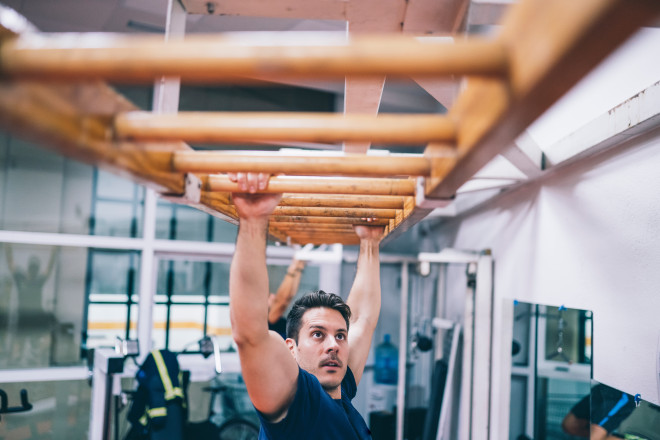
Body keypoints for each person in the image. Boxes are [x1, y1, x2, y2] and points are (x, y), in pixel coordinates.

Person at [229, 172, 384, 439]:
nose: (333, 344)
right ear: (292, 348)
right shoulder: (298, 401)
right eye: (317, 334)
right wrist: (254, 221)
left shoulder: (341, 389)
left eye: (340, 336)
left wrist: (369, 242)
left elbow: (362, 320)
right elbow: (249, 335)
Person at [562, 383, 637, 440]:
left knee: (595, 436)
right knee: (570, 425)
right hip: (604, 384)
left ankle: (599, 434)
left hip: (622, 389)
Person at [268, 257, 306, 339]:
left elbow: (289, 296)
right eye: (268, 297)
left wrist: (299, 267)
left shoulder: (273, 320)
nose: (272, 296)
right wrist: (293, 268)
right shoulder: (267, 321)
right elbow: (282, 301)